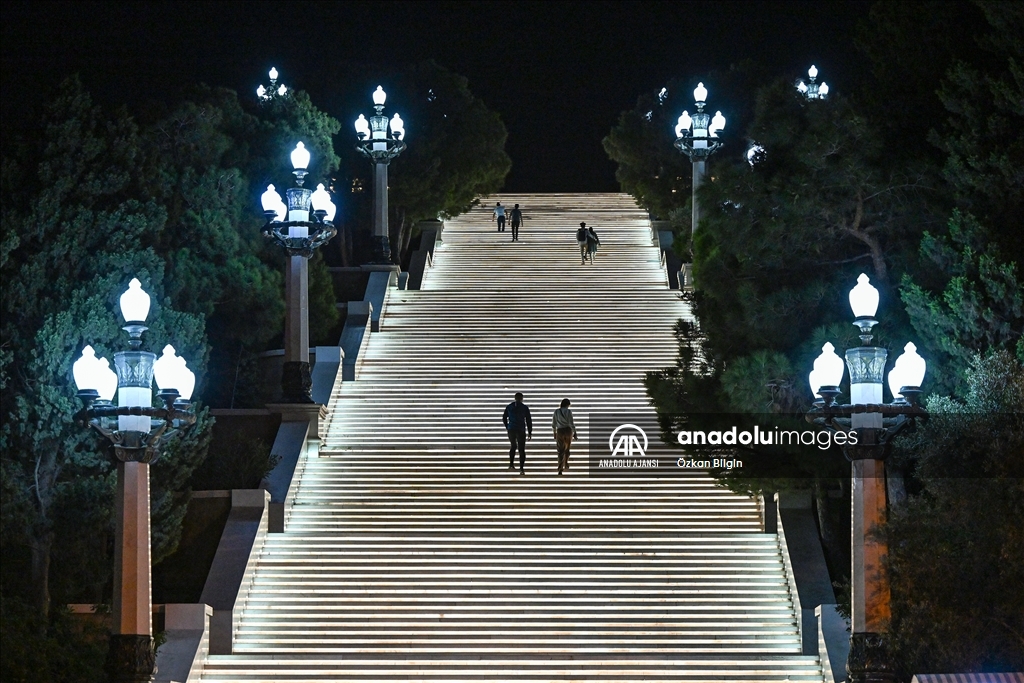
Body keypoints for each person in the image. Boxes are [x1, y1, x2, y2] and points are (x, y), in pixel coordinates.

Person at [502, 392, 533, 474]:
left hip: (511, 429)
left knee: (513, 446)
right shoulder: (524, 408)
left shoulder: (509, 406)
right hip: (520, 429)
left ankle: (511, 464)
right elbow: (528, 420)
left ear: (515, 398)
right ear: (522, 398)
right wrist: (530, 432)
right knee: (521, 449)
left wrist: (507, 426)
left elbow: (504, 417)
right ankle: (521, 468)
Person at [551, 398, 578, 475]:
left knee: (560, 450)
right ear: (568, 405)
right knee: (567, 448)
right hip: (568, 431)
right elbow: (571, 422)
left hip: (560, 431)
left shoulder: (556, 411)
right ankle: (566, 463)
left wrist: (554, 432)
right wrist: (575, 432)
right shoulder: (569, 411)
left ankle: (560, 468)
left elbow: (554, 423)